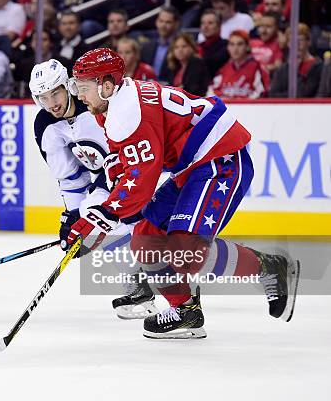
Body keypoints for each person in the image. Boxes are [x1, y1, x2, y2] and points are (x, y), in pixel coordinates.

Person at [68, 47, 299, 338]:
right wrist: (104, 208)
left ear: (106, 84)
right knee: (144, 240)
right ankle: (185, 310)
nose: (79, 94)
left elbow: (141, 182)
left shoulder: (128, 112)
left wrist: (102, 217)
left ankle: (271, 267)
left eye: (83, 87)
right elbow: (122, 161)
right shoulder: (111, 103)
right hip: (191, 168)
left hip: (220, 158)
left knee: (185, 251)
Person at [29, 58, 157, 320]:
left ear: (68, 86)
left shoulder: (96, 106)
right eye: (43, 97)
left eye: (55, 92)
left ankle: (175, 281)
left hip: (138, 171)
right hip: (107, 179)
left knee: (139, 224)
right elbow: (70, 178)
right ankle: (139, 286)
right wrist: (73, 216)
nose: (52, 103)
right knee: (92, 215)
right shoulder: (45, 125)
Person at [209, 30, 269, 99]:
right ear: (228, 48)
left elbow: (261, 92)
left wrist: (241, 102)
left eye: (240, 44)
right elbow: (211, 91)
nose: (235, 48)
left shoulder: (257, 67)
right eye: (232, 44)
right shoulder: (223, 69)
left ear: (247, 47)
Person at [269, 23, 323, 98]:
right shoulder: (283, 69)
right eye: (292, 41)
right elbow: (273, 95)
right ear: (288, 44)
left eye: (300, 40)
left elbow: (305, 93)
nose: (296, 44)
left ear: (308, 41)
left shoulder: (319, 67)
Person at [141, 5, 180, 84]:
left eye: (168, 22)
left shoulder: (180, 47)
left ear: (176, 24)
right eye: (161, 21)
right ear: (156, 22)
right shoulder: (146, 47)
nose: (163, 25)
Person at [198, 9, 229, 77]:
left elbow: (213, 63)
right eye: (203, 23)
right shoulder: (198, 47)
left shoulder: (226, 46)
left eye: (210, 23)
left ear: (219, 26)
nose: (205, 26)